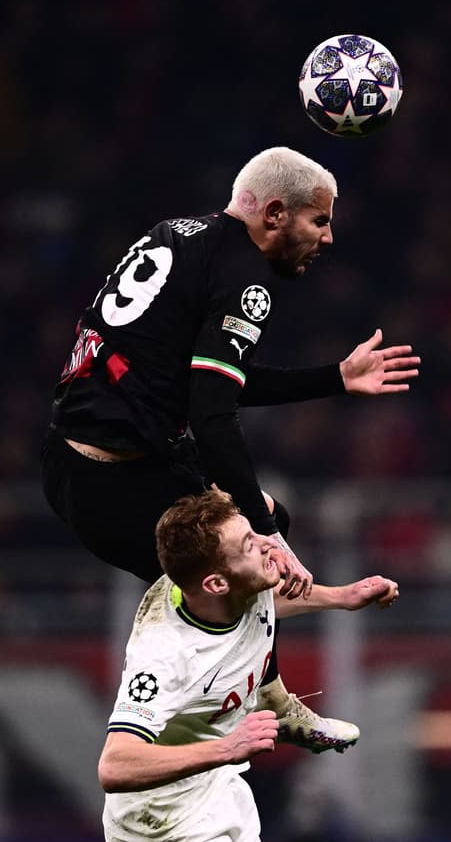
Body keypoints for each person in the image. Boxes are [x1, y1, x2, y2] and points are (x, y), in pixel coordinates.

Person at [41, 146, 420, 751]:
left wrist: (335, 377)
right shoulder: (247, 279)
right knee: (249, 557)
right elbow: (212, 415)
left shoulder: (180, 237)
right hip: (116, 483)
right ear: (274, 214)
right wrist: (267, 533)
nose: (328, 237)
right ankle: (184, 733)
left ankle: (238, 704)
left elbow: (211, 380)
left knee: (262, 533)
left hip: (89, 459)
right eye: (318, 220)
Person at [98, 490, 401, 842]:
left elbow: (261, 595)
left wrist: (341, 597)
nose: (266, 543)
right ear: (216, 584)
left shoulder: (230, 587)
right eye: (248, 544)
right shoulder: (165, 655)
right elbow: (115, 764)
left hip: (221, 793)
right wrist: (228, 748)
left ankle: (279, 704)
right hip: (161, 822)